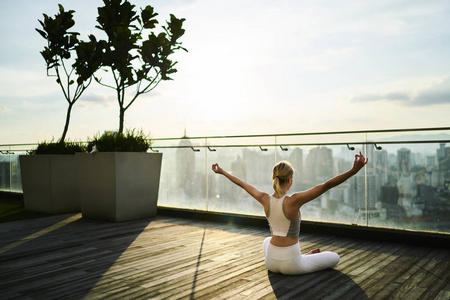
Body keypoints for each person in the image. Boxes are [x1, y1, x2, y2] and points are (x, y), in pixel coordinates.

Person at [212, 151, 368, 275]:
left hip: (271, 262)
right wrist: (354, 170)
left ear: (274, 178)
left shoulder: (264, 199)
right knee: (335, 257)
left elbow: (243, 184)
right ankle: (305, 257)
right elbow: (326, 185)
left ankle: (305, 257)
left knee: (268, 239)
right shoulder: (294, 200)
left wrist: (222, 171)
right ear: (290, 179)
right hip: (292, 265)